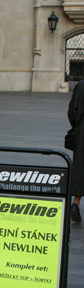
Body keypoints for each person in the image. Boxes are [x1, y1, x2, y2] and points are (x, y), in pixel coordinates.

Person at [68, 80, 84, 222]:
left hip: (82, 133)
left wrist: (77, 126)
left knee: (80, 168)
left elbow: (72, 111)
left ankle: (75, 203)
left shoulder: (80, 86)